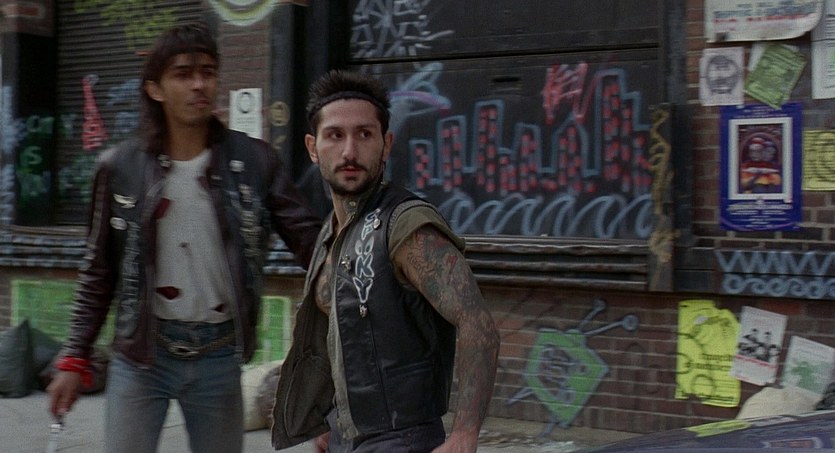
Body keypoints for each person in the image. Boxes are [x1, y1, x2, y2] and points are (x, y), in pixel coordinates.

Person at [47, 22, 321, 453]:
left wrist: (361, 272)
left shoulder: (254, 161)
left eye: (208, 72)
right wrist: (73, 357)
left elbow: (311, 243)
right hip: (142, 356)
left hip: (219, 354)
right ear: (155, 89)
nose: (199, 84)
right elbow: (98, 271)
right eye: (183, 74)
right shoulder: (120, 167)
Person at [272, 69, 501, 453]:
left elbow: (478, 324)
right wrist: (329, 415)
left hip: (402, 439)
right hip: (345, 437)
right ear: (313, 147)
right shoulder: (331, 232)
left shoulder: (406, 226)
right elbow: (339, 338)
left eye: (364, 134)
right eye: (335, 135)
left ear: (386, 144)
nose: (349, 152)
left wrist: (465, 433)